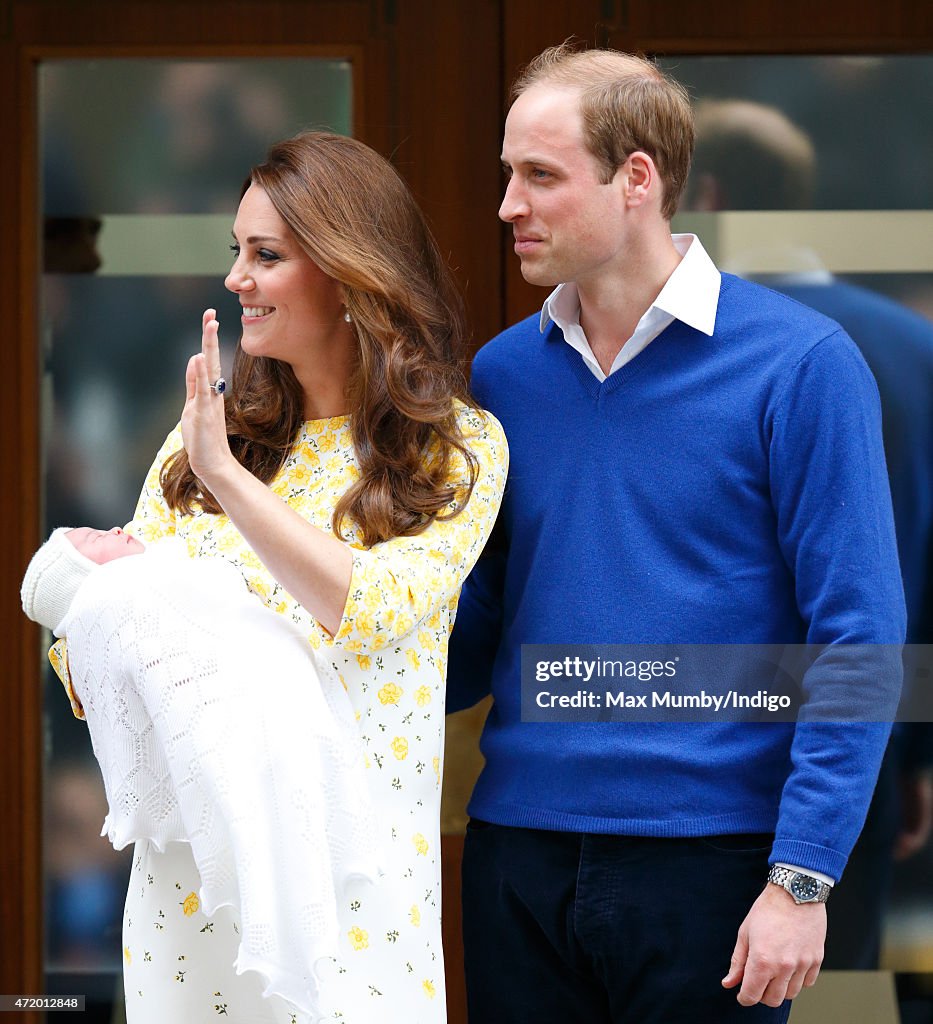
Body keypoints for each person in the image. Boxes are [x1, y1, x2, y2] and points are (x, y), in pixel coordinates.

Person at [447, 43, 905, 1023]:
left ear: (637, 180)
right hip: (516, 858)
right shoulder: (502, 376)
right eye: (506, 174)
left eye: (538, 175)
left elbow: (860, 635)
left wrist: (804, 878)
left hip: (717, 865)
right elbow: (472, 619)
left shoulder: (803, 366)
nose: (507, 206)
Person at [44, 132, 508, 1024]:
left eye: (266, 256)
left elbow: (374, 611)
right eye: (235, 253)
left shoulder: (454, 446)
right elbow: (88, 664)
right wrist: (95, 612)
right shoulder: (202, 438)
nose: (236, 279)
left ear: (347, 273)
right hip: (190, 891)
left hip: (355, 896)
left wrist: (229, 485)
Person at [684, 98, 933, 970]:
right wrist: (914, 752)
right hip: (869, 736)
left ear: (702, 194)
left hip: (707, 755)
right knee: (837, 994)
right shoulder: (913, 346)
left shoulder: (701, 351)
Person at [22, 524, 381, 1020]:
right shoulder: (116, 596)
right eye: (89, 539)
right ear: (84, 573)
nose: (115, 529)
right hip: (211, 806)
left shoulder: (158, 566)